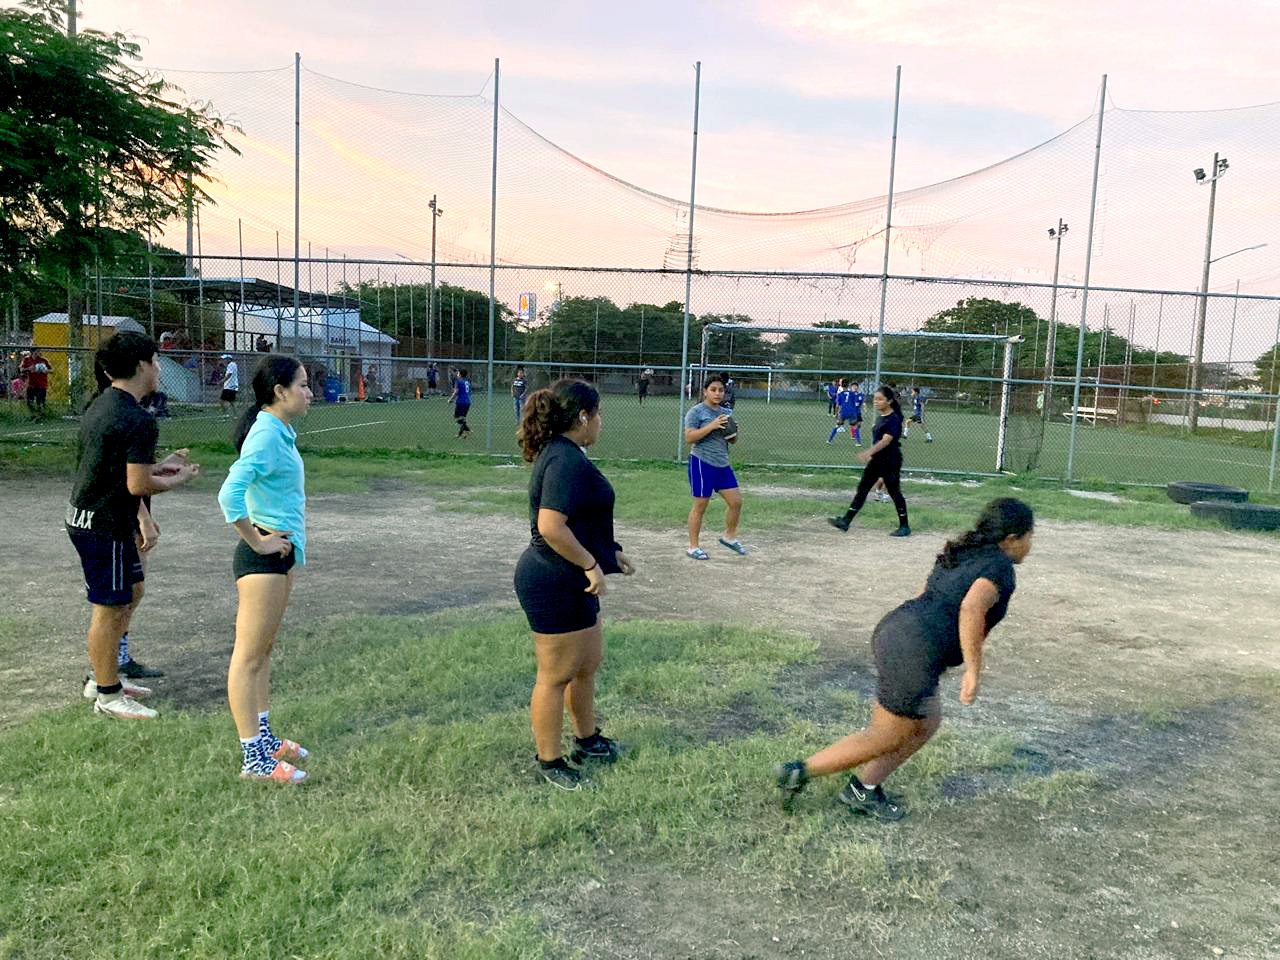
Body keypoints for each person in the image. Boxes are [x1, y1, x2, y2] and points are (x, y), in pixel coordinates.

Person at [776, 499, 1035, 821]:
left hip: (898, 630)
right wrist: (972, 669)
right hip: (913, 648)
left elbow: (928, 593)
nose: (1030, 545)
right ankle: (799, 772)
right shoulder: (999, 567)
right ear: (1011, 539)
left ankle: (863, 789)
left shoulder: (964, 550)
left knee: (925, 722)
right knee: (885, 735)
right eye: (1029, 537)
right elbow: (971, 609)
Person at [66, 332, 200, 720]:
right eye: (156, 361)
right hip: (103, 524)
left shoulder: (103, 404)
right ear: (143, 366)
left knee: (132, 591)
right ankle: (106, 692)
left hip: (94, 517)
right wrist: (179, 478)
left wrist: (163, 465)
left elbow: (118, 470)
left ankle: (106, 675)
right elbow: (137, 485)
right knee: (109, 607)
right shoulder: (136, 418)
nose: (159, 368)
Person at [514, 379, 634, 790]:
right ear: (583, 417)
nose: (601, 422)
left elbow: (582, 516)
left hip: (572, 578)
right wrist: (589, 564)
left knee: (586, 665)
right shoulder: (565, 460)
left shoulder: (568, 454)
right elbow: (551, 526)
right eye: (598, 413)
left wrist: (607, 552)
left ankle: (588, 740)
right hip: (552, 579)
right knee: (555, 674)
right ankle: (550, 762)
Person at [217, 355, 313, 784]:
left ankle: (265, 738)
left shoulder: (280, 432)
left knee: (262, 654)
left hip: (280, 555)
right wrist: (257, 540)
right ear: (280, 391)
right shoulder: (265, 436)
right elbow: (228, 495)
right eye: (304, 385)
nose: (309, 393)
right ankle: (252, 758)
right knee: (247, 657)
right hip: (262, 557)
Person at [827, 386, 910, 537]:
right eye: (875, 399)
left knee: (893, 491)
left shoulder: (894, 419)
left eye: (880, 399)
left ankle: (905, 526)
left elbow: (886, 441)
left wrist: (868, 452)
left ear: (889, 401)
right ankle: (846, 521)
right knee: (863, 488)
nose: (876, 402)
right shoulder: (881, 417)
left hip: (890, 460)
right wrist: (873, 455)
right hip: (878, 459)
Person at [684, 374, 745, 560]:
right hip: (702, 462)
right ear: (705, 392)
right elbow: (689, 438)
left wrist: (734, 432)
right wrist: (712, 425)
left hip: (722, 463)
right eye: (713, 390)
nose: (718, 393)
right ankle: (693, 547)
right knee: (700, 505)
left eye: (721, 390)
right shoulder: (696, 412)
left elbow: (732, 441)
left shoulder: (726, 413)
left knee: (736, 502)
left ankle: (729, 536)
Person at [828, 379, 860, 444]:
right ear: (848, 386)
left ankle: (829, 440)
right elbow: (854, 404)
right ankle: (858, 443)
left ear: (841, 386)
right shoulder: (852, 394)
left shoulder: (840, 394)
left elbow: (837, 405)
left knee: (837, 425)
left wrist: (836, 414)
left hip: (843, 412)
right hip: (851, 412)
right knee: (855, 426)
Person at [20, 349, 50, 415]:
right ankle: (33, 414)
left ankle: (41, 414)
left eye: (39, 352)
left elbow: (51, 369)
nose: (38, 353)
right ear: (32, 353)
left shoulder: (43, 360)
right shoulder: (27, 360)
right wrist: (28, 368)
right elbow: (21, 369)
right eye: (36, 352)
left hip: (42, 384)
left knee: (40, 401)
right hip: (31, 383)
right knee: (29, 401)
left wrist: (46, 371)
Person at [449, 367, 472, 438]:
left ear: (460, 374)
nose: (457, 374)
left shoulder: (458, 381)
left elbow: (456, 391)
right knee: (462, 418)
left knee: (457, 417)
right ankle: (465, 431)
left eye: (458, 372)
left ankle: (463, 432)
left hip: (461, 402)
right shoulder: (467, 382)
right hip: (467, 402)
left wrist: (450, 399)